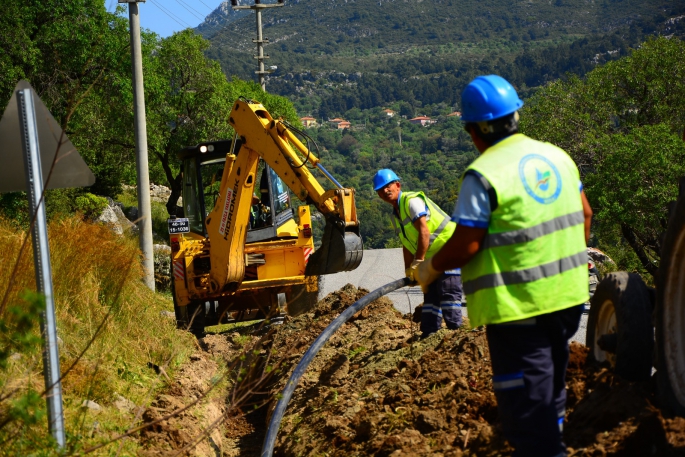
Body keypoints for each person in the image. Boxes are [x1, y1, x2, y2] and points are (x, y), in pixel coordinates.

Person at [411, 75, 593, 457]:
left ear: (474, 130)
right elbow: (585, 215)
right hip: (569, 300)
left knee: (525, 411)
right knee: (549, 394)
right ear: (515, 116)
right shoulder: (557, 157)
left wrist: (431, 268)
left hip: (519, 310)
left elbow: (467, 244)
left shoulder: (483, 175)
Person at [373, 168, 463, 338]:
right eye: (380, 190)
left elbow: (424, 232)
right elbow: (407, 243)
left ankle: (456, 336)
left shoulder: (411, 201)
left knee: (447, 291)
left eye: (387, 186)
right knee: (430, 297)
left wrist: (418, 261)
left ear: (398, 185)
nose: (384, 191)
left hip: (450, 249)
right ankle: (429, 336)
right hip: (432, 258)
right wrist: (409, 270)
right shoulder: (395, 215)